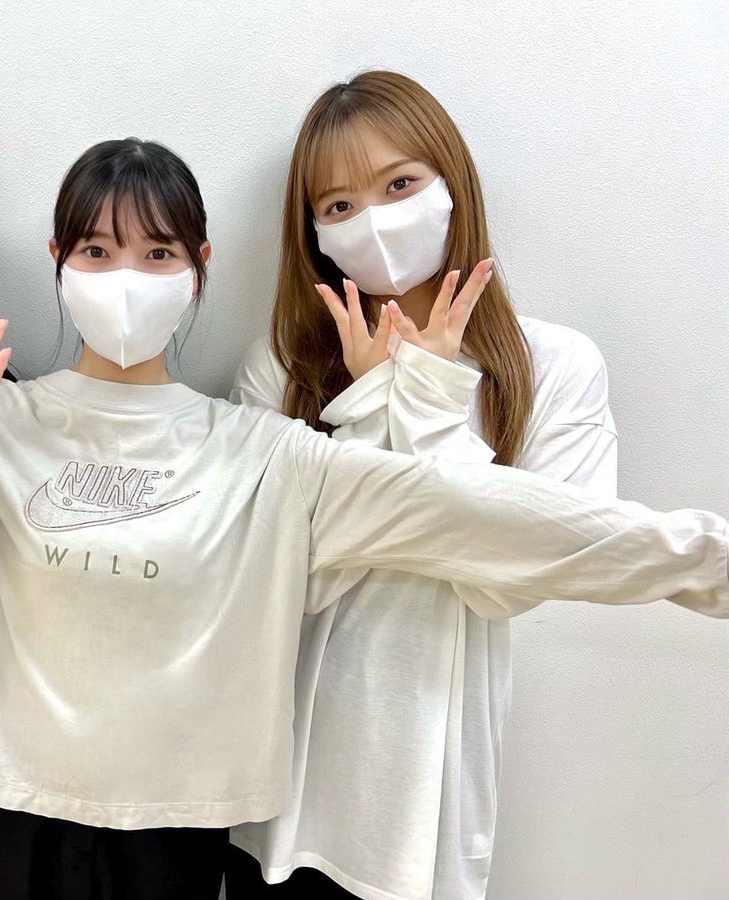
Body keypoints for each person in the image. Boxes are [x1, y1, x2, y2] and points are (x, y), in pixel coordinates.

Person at [0, 138, 726, 900]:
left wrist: (706, 562)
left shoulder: (275, 456)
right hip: (5, 812)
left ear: (200, 265)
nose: (126, 276)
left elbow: (510, 521)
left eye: (157, 251)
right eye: (99, 248)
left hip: (181, 826)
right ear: (56, 257)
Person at [224, 70, 618, 899]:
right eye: (339, 205)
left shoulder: (555, 365)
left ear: (452, 184)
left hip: (425, 807)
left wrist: (428, 406)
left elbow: (513, 578)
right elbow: (277, 576)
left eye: (399, 184)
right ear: (313, 233)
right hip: (276, 802)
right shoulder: (281, 369)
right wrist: (374, 406)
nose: (374, 220)